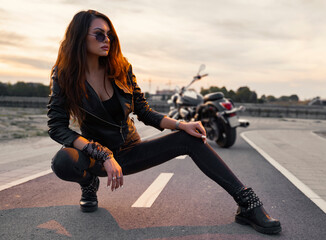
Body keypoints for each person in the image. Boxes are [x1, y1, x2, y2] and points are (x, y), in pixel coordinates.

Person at [48, 9, 281, 235]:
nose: (106, 39)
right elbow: (57, 126)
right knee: (63, 160)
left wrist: (182, 125)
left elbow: (145, 112)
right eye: (99, 34)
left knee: (191, 139)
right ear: (80, 37)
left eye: (109, 34)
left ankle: (248, 204)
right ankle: (88, 184)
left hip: (130, 151)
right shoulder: (64, 74)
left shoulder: (121, 68)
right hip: (96, 157)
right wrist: (103, 154)